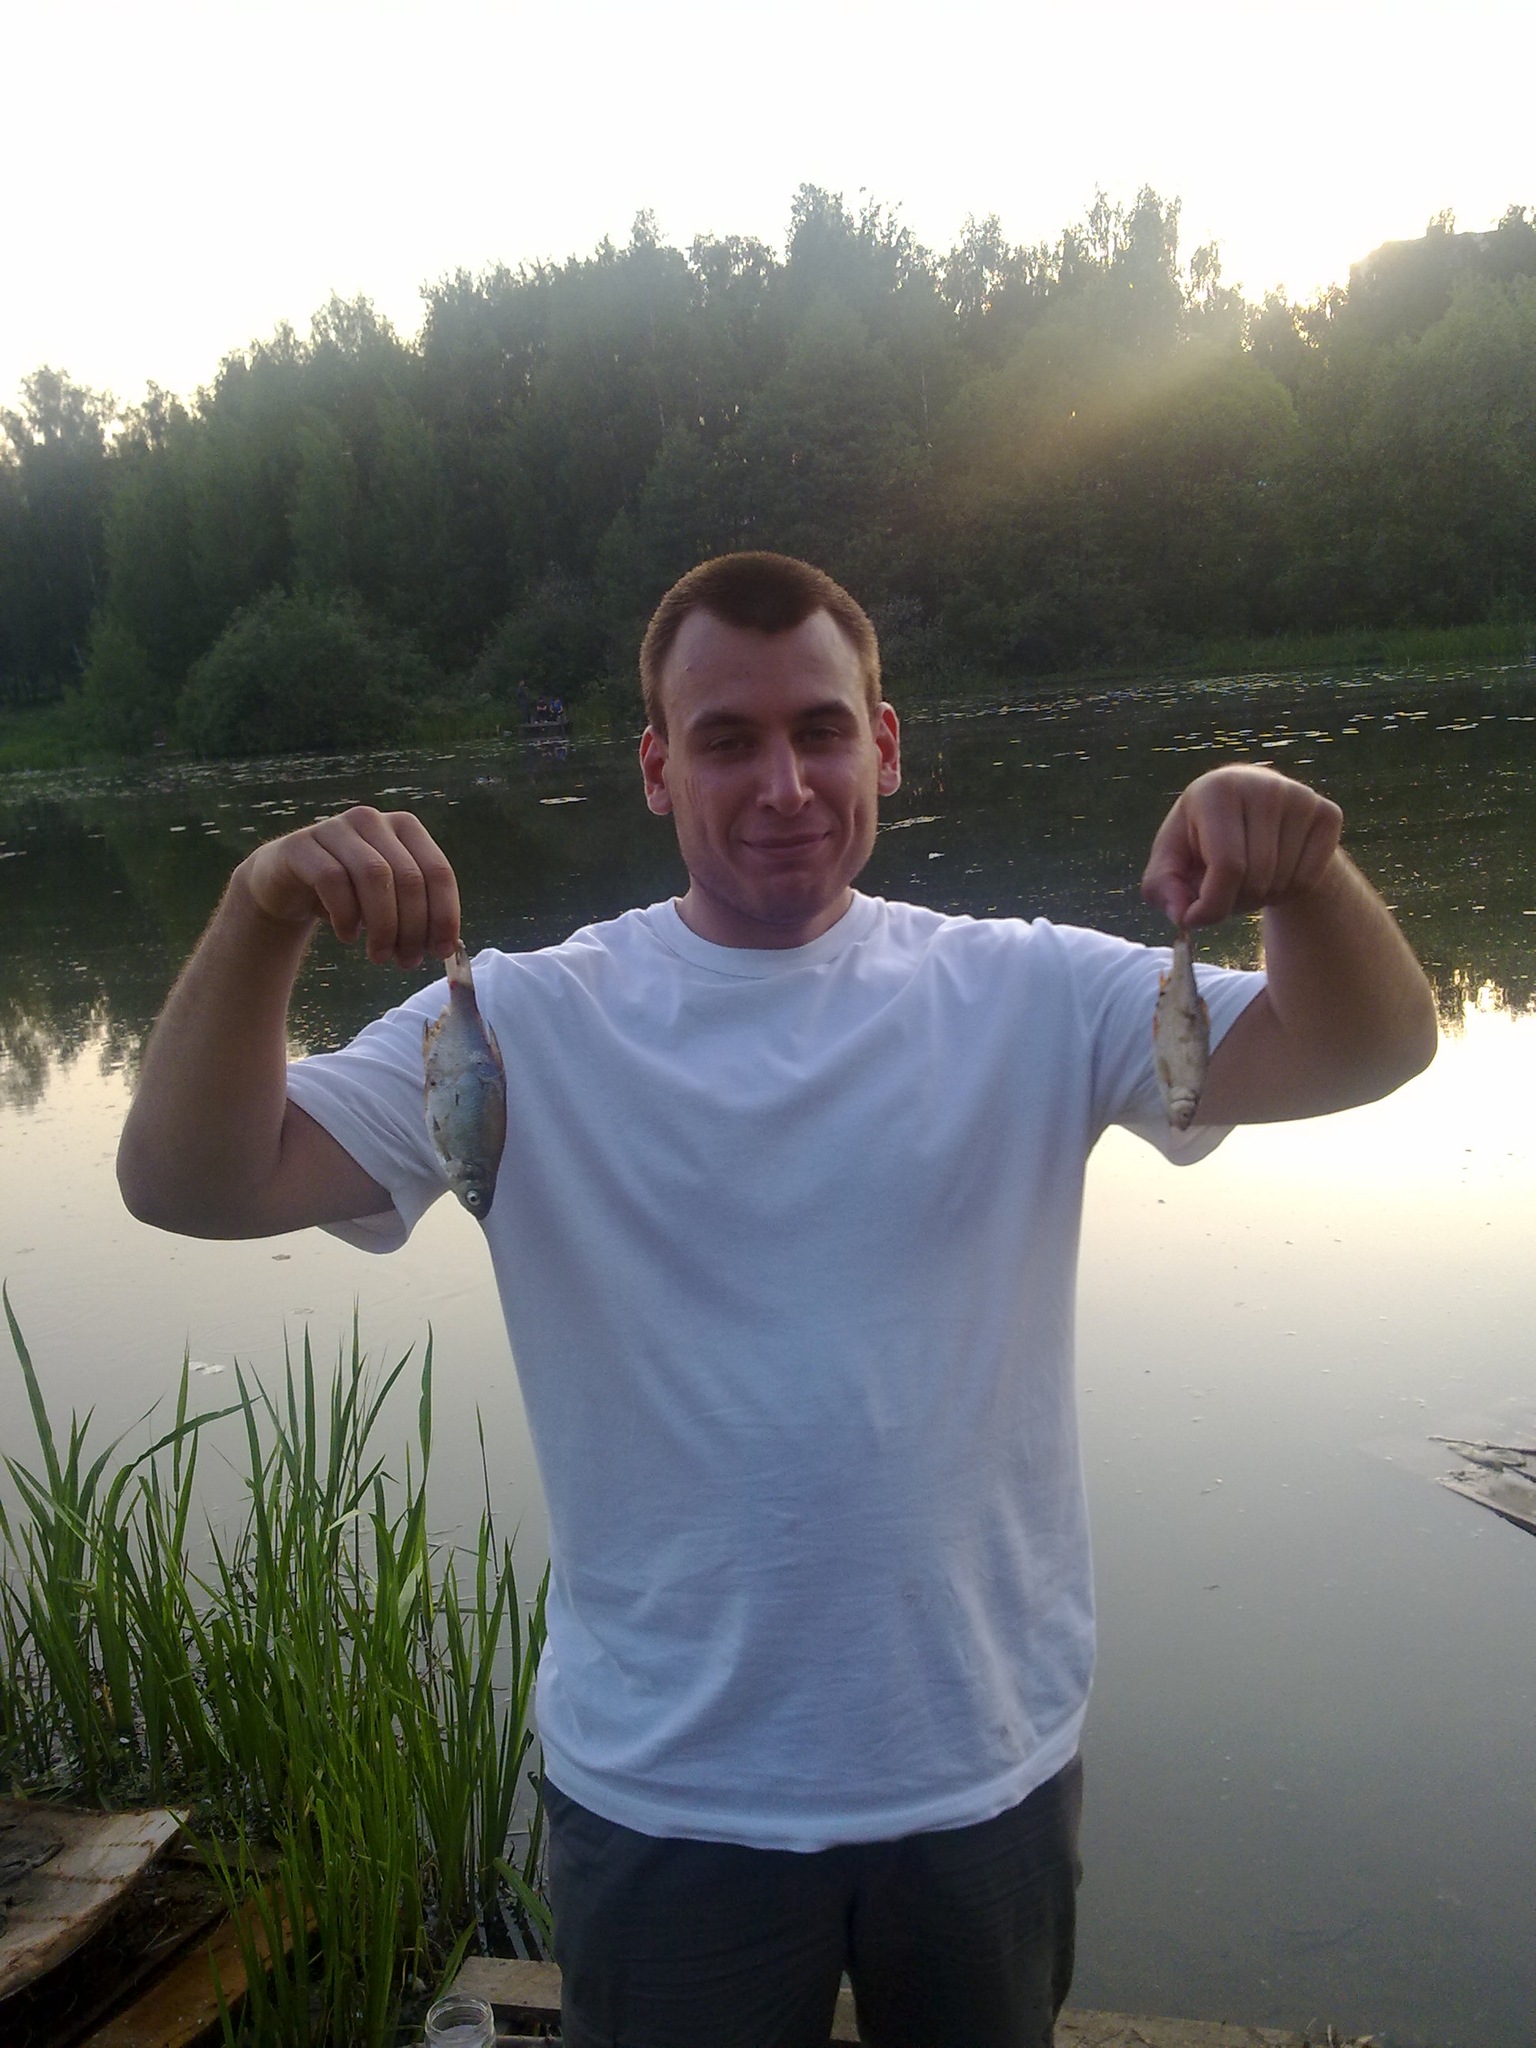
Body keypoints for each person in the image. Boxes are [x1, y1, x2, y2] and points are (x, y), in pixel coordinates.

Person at [117, 553, 1438, 2048]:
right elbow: (190, 1181)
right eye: (726, 740)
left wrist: (1305, 875)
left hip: (986, 1771)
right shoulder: (522, 1020)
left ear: (885, 744)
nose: (785, 783)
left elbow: (1366, 1047)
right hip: (669, 1798)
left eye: (820, 730)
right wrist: (262, 912)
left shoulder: (1030, 990)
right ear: (655, 771)